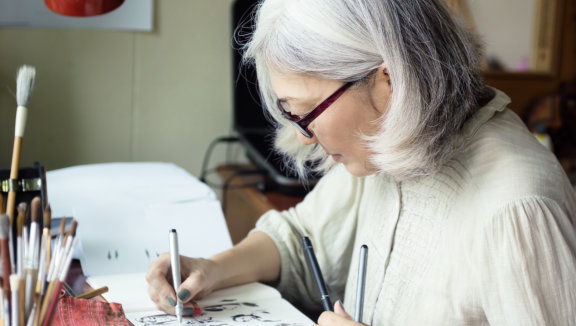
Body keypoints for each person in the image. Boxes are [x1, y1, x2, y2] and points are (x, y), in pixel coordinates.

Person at [146, 0, 576, 325]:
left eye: (307, 111)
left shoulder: (516, 208)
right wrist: (213, 268)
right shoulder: (386, 146)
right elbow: (303, 238)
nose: (302, 134)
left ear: (389, 81)